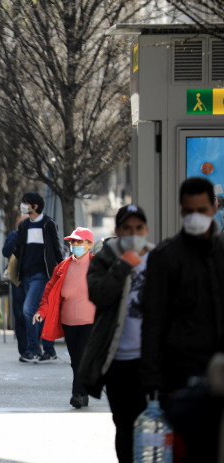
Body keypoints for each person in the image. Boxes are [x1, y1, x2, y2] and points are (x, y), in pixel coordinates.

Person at [142, 177, 224, 462]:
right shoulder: (166, 258)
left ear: (214, 207)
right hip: (180, 378)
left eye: (201, 210)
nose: (195, 218)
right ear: (180, 211)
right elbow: (152, 321)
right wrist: (152, 380)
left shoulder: (221, 252)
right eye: (189, 211)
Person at [79, 204, 152, 463]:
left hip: (150, 360)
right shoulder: (105, 257)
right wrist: (123, 266)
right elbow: (98, 294)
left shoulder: (156, 258)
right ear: (117, 231)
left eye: (138, 228)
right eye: (127, 228)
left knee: (149, 422)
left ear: (146, 229)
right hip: (118, 360)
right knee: (124, 423)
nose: (133, 233)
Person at [33, 227, 96, 409]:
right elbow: (49, 293)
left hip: (90, 321)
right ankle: (82, 393)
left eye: (79, 241)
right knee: (76, 359)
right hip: (69, 321)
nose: (74, 245)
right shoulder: (62, 268)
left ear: (89, 245)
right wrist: (41, 312)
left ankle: (77, 394)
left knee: (83, 357)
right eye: (72, 242)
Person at [13, 191, 63, 363]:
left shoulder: (48, 224)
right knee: (39, 312)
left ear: (34, 206)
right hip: (25, 276)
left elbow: (56, 250)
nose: (22, 206)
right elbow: (19, 250)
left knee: (28, 310)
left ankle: (33, 349)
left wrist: (62, 270)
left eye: (25, 203)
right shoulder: (24, 226)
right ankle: (48, 350)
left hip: (42, 276)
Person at [2, 214, 28, 357]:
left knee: (30, 312)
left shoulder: (36, 235)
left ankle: (34, 346)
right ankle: (24, 349)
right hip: (17, 278)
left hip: (32, 277)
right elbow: (6, 252)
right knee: (19, 314)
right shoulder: (14, 235)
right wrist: (18, 234)